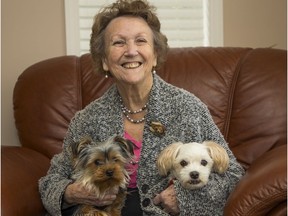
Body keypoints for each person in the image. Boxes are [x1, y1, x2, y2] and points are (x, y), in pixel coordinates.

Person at [39, 0, 245, 215]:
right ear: (104, 61)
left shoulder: (188, 108)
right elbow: (51, 182)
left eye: (140, 41)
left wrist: (184, 198)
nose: (131, 51)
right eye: (118, 43)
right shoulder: (86, 119)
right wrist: (72, 192)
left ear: (155, 55)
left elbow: (233, 176)